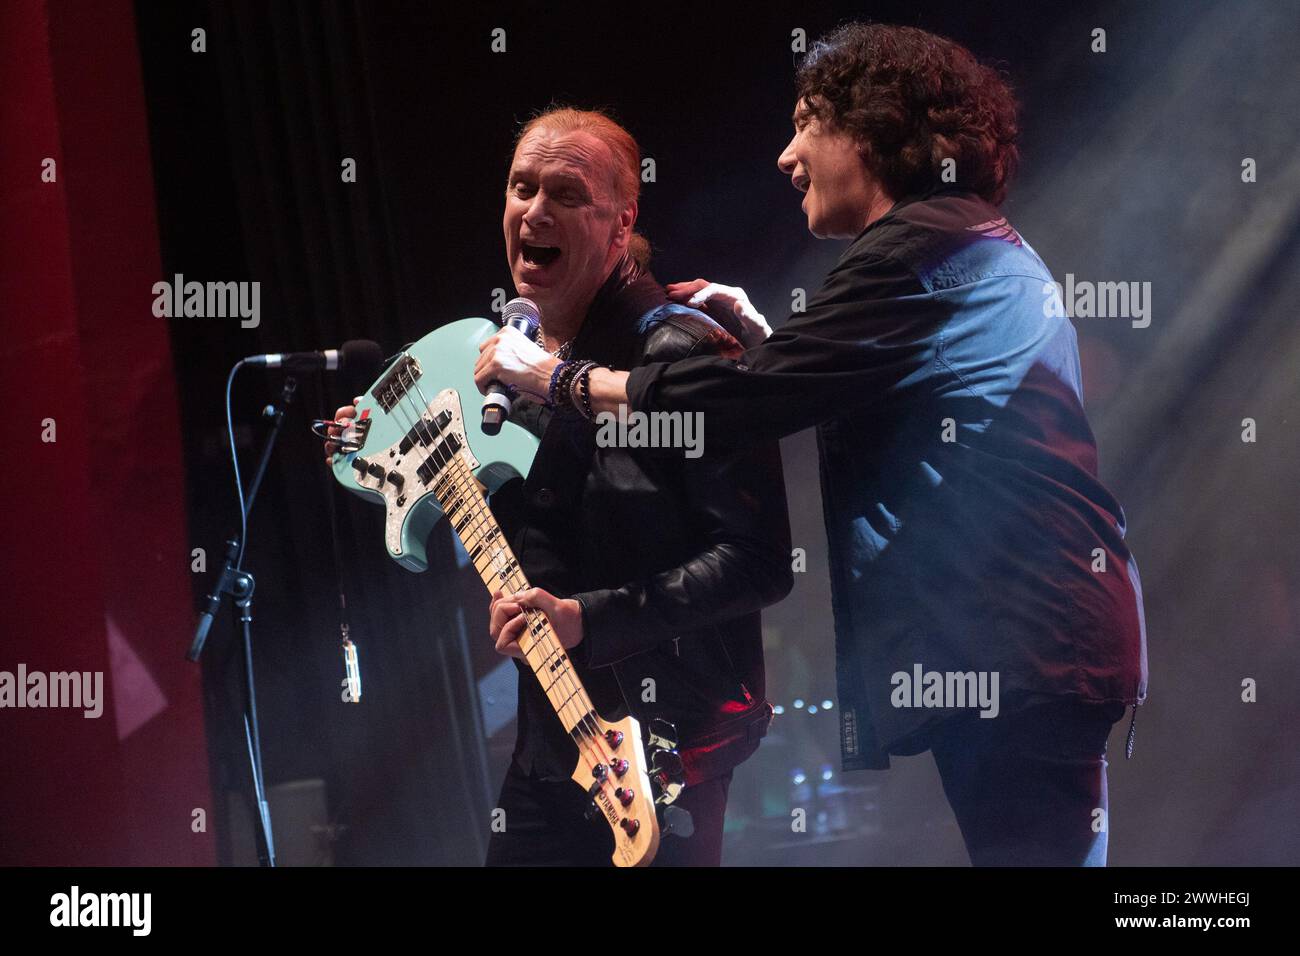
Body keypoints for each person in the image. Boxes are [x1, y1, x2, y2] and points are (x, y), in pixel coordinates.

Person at [474, 24, 1148, 866]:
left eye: (806, 123)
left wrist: (558, 379)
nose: (788, 156)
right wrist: (769, 342)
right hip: (1031, 646)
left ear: (869, 129)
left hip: (1024, 646)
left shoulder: (921, 252)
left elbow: (746, 401)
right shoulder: (959, 244)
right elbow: (828, 388)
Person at [332, 107, 793, 866]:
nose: (535, 211)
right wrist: (377, 454)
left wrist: (590, 616)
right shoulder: (512, 364)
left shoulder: (678, 349)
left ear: (622, 222)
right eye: (521, 188)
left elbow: (758, 559)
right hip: (553, 744)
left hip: (663, 749)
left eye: (567, 194)